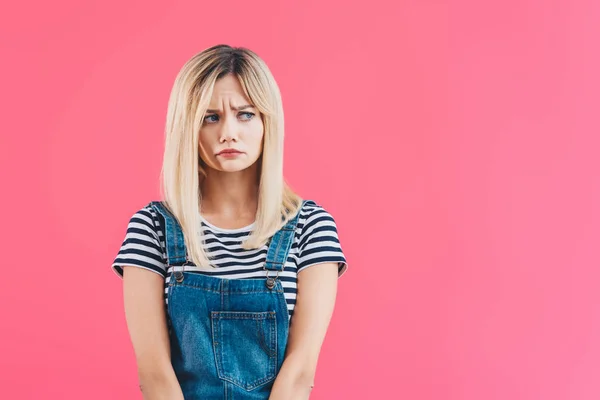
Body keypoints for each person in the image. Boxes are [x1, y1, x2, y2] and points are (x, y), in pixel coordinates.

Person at [111, 44, 348, 400]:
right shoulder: (152, 228)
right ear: (188, 127)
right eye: (210, 117)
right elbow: (154, 374)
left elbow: (300, 372)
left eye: (245, 114)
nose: (228, 133)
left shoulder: (311, 227)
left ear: (268, 121)